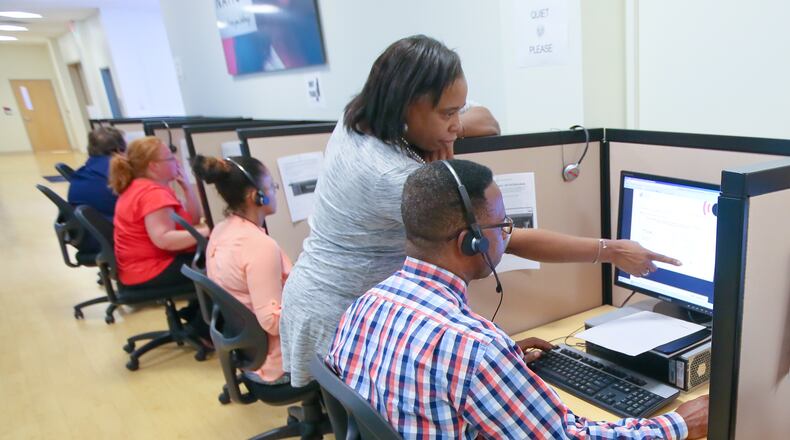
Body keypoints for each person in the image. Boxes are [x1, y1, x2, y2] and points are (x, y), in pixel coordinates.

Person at [280, 34, 677, 387]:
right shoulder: (391, 176)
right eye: (446, 114)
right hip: (338, 309)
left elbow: (487, 119)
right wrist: (609, 250)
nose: (456, 124)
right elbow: (503, 237)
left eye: (458, 110)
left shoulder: (361, 121)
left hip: (348, 302)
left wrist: (446, 129)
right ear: (406, 106)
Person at [326, 159, 709, 439]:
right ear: (470, 242)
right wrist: (677, 424)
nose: (508, 235)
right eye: (503, 226)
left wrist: (503, 363)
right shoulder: (475, 351)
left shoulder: (366, 306)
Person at [192, 154, 290, 385]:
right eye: (272, 186)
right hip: (278, 361)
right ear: (256, 196)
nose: (275, 192)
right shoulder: (259, 245)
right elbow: (272, 322)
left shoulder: (221, 231)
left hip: (251, 352)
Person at [109, 136, 209, 338]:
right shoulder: (152, 194)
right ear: (154, 166)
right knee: (217, 269)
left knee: (209, 260)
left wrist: (187, 188)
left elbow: (192, 219)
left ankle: (194, 315)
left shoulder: (142, 186)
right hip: (150, 269)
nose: (177, 162)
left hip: (138, 267)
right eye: (170, 159)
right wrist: (209, 232)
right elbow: (163, 239)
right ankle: (201, 330)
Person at [68, 126, 126, 220]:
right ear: (120, 149)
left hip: (89, 228)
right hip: (113, 227)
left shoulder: (82, 172)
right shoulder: (117, 173)